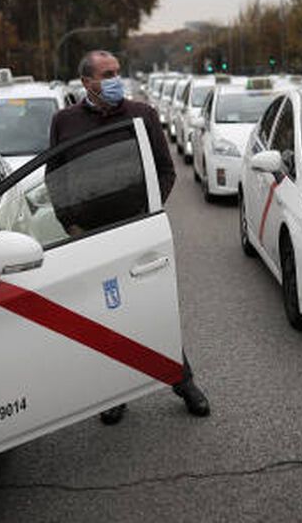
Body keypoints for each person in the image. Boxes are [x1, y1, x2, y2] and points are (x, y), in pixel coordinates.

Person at [49, 49, 210, 424]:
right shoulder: (65, 122)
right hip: (90, 238)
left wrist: (149, 214)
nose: (116, 79)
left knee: (154, 309)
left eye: (118, 72)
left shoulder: (143, 115)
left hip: (139, 232)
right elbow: (54, 179)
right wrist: (70, 224)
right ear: (87, 82)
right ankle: (114, 393)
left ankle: (182, 381)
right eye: (108, 74)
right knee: (108, 316)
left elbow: (166, 171)